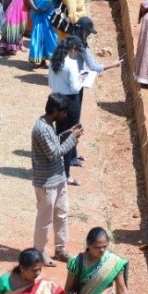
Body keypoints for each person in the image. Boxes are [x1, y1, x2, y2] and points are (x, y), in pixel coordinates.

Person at [47, 33, 109, 183]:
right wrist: (83, 80)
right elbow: (75, 88)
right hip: (70, 103)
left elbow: (50, 83)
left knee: (59, 136)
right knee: (70, 138)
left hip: (56, 101)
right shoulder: (71, 64)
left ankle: (56, 169)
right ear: (73, 49)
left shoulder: (54, 61)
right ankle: (66, 175)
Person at [31, 94, 82, 261]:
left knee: (61, 214)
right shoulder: (41, 129)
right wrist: (73, 139)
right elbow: (54, 154)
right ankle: (39, 253)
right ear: (54, 110)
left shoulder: (48, 125)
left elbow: (54, 143)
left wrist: (68, 133)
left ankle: (60, 249)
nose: (65, 115)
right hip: (47, 183)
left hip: (58, 179)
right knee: (44, 220)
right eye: (63, 112)